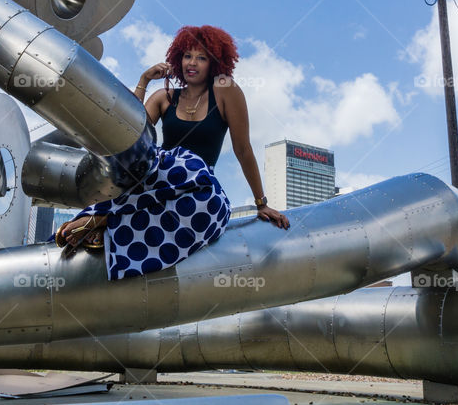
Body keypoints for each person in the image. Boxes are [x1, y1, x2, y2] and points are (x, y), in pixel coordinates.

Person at [56, 25, 289, 280]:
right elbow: (127, 134)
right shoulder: (164, 97)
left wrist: (261, 203)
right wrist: (143, 80)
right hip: (157, 176)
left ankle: (106, 223)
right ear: (178, 59)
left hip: (196, 187)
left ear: (214, 64)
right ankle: (103, 219)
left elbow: (242, 149)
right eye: (187, 56)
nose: (193, 63)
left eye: (201, 58)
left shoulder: (225, 90)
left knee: (213, 205)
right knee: (180, 165)